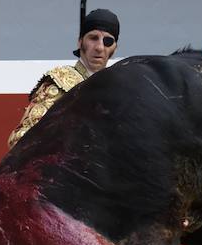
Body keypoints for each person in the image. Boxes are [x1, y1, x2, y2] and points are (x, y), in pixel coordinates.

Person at [7, 8, 119, 148]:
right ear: (80, 42)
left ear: (115, 48)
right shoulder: (61, 82)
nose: (100, 47)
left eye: (108, 41)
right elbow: (20, 140)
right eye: (93, 38)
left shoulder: (116, 89)